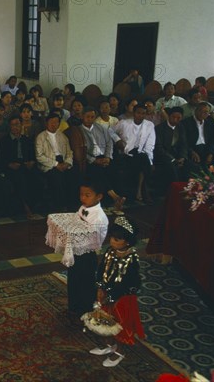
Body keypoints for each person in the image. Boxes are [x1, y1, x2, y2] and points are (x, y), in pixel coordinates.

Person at [89, 216, 144, 367]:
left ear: (127, 241)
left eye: (117, 239)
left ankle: (120, 351)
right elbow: (101, 270)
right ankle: (109, 345)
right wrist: (100, 286)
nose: (112, 241)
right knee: (105, 321)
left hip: (122, 298)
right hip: (106, 292)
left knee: (120, 324)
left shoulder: (131, 259)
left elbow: (128, 282)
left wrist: (112, 295)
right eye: (112, 237)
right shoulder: (110, 251)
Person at [68, 178, 109, 317]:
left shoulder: (98, 217)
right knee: (74, 278)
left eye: (87, 195)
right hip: (76, 250)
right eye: (81, 194)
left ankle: (85, 310)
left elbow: (92, 239)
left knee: (86, 282)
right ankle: (74, 305)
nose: (83, 198)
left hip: (88, 252)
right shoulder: (83, 208)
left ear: (99, 196)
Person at [114, 104, 156, 202]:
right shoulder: (124, 123)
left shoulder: (149, 125)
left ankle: (139, 190)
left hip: (141, 153)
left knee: (144, 160)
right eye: (138, 113)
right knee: (142, 161)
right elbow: (110, 131)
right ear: (134, 113)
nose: (140, 115)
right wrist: (118, 140)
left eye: (143, 114)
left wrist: (151, 160)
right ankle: (141, 191)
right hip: (125, 153)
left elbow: (150, 144)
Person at [35, 112, 75, 213]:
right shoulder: (41, 137)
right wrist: (56, 164)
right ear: (46, 123)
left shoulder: (62, 136)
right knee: (57, 177)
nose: (54, 124)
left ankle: (72, 205)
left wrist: (67, 163)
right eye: (51, 122)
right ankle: (60, 207)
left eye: (56, 122)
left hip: (63, 162)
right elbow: (39, 156)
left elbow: (69, 152)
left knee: (73, 175)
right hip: (49, 164)